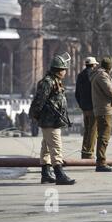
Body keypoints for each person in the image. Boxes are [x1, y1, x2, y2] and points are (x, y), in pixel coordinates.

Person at [29, 52, 75, 185]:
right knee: (56, 146)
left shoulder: (55, 81)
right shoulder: (48, 82)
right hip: (50, 121)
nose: (65, 72)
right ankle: (59, 175)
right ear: (58, 70)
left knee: (46, 147)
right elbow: (39, 101)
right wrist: (37, 116)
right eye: (64, 69)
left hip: (52, 120)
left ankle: (46, 173)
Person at [90, 57, 112, 172]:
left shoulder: (99, 75)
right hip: (104, 110)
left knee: (103, 136)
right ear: (110, 67)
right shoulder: (102, 76)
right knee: (104, 137)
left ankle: (101, 161)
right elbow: (110, 91)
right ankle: (101, 162)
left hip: (103, 109)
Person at [75, 56, 99, 159]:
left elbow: (77, 93)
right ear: (93, 65)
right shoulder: (94, 75)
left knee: (86, 130)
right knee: (93, 130)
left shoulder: (80, 75)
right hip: (93, 107)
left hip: (84, 107)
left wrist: (81, 105)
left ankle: (84, 151)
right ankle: (89, 153)